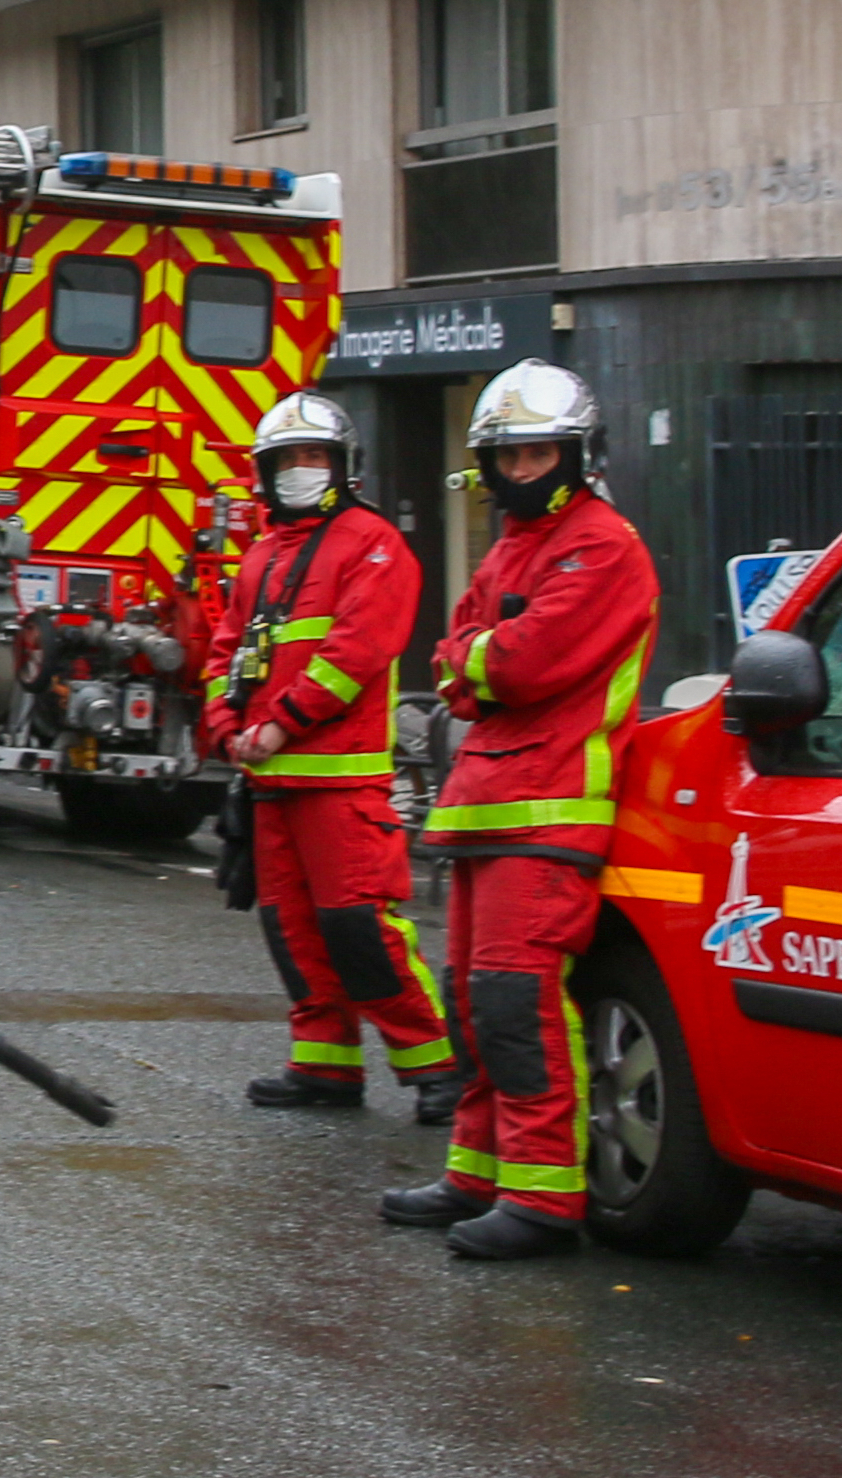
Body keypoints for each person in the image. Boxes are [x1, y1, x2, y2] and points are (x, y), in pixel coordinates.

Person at [380, 359, 657, 1262]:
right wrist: (476, 657)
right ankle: (476, 1171)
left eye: (537, 453)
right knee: (471, 1000)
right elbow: (453, 656)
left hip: (549, 810)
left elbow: (519, 663)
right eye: (508, 454)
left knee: (515, 1000)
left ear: (576, 454)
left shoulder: (603, 545)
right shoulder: (514, 547)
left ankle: (544, 1195)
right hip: (485, 805)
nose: (520, 470)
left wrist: (476, 657)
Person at [200, 392, 459, 1127]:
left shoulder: (373, 543)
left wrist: (278, 725)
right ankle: (324, 1062)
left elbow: (357, 649)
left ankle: (435, 1065)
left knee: (360, 930)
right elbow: (227, 654)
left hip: (339, 779)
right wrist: (225, 726)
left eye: (314, 457)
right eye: (288, 459)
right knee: (292, 929)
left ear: (344, 466)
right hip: (272, 782)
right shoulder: (260, 557)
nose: (301, 470)